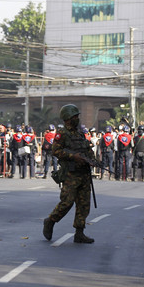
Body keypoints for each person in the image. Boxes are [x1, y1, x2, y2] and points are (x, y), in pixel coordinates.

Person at [43, 104, 96, 244]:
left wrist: (92, 160)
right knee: (67, 202)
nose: (77, 119)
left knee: (84, 204)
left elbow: (87, 149)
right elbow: (56, 151)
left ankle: (79, 233)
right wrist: (74, 157)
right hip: (71, 174)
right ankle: (51, 221)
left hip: (84, 174)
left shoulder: (80, 134)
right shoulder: (62, 134)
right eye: (75, 116)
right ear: (68, 118)